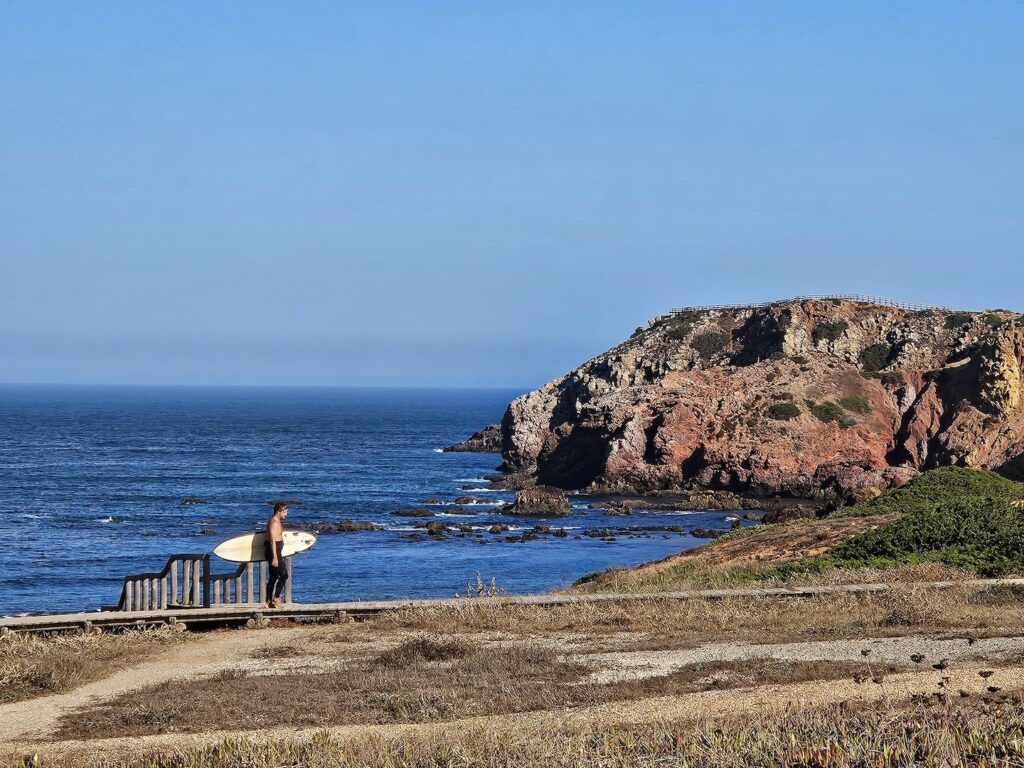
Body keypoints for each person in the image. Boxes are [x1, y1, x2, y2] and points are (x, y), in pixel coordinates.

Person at [265, 502, 289, 608]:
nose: (286, 514)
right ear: (279, 511)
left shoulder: (278, 521)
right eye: (285, 512)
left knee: (273, 577)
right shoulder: (273, 522)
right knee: (284, 575)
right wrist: (275, 557)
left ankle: (268, 601)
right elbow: (272, 541)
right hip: (273, 552)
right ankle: (276, 597)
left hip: (276, 551)